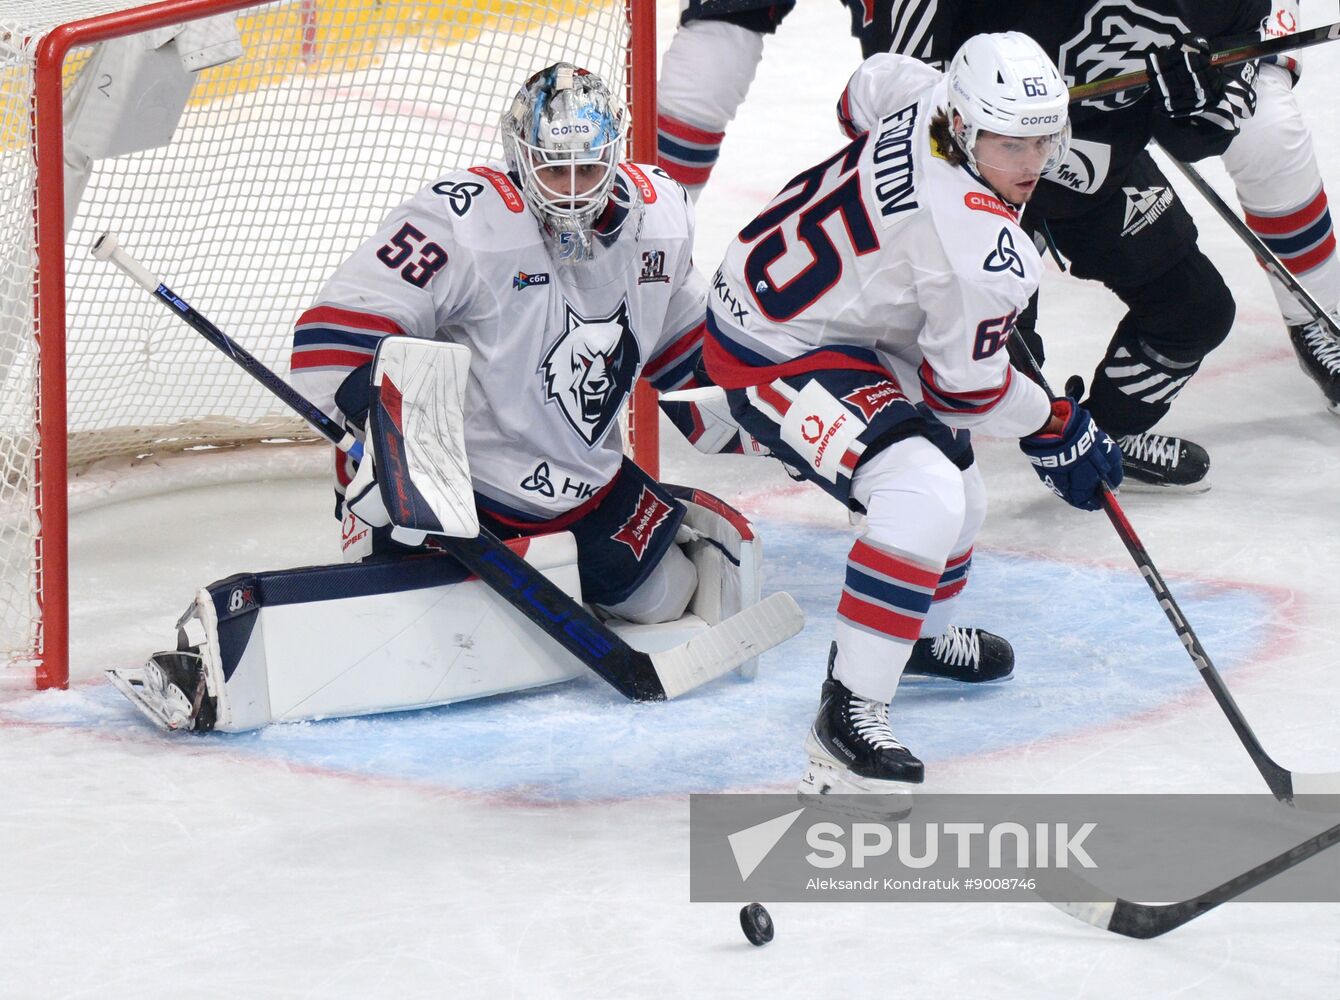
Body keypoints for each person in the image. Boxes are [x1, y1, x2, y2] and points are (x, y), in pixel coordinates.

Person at [662, 0, 1340, 486]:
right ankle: (788, 416)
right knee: (985, 376)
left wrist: (1189, 106)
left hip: (1094, 165)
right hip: (980, 165)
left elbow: (1209, 129)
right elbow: (904, 85)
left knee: (1195, 310)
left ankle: (1105, 428)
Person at [704, 33, 1124, 793]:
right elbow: (967, 390)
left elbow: (861, 90)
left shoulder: (926, 94)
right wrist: (1055, 423)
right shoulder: (977, 245)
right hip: (770, 347)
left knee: (962, 487)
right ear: (964, 128)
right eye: (1008, 145)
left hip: (833, 316)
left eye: (1041, 141)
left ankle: (917, 637)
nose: (1029, 166)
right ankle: (848, 713)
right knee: (921, 492)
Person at [289, 62, 717, 627]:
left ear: (615, 155)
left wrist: (758, 411)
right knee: (436, 631)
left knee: (665, 602)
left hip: (583, 484)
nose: (569, 192)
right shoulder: (463, 219)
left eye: (586, 169)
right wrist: (387, 452)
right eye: (550, 170)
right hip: (460, 493)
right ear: (519, 155)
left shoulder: (661, 215)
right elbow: (332, 336)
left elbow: (683, 349)